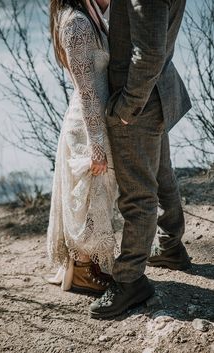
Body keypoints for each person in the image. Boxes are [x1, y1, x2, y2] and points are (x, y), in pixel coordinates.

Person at [90, 0, 192, 319]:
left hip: (138, 103)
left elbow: (148, 54)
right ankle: (171, 246)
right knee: (162, 178)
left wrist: (126, 109)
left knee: (138, 196)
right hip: (158, 93)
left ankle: (130, 280)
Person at [47, 0, 122, 294]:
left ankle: (86, 267)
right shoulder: (77, 23)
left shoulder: (85, 15)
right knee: (90, 198)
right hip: (87, 127)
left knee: (95, 199)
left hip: (94, 122)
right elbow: (87, 90)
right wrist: (97, 144)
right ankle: (80, 273)